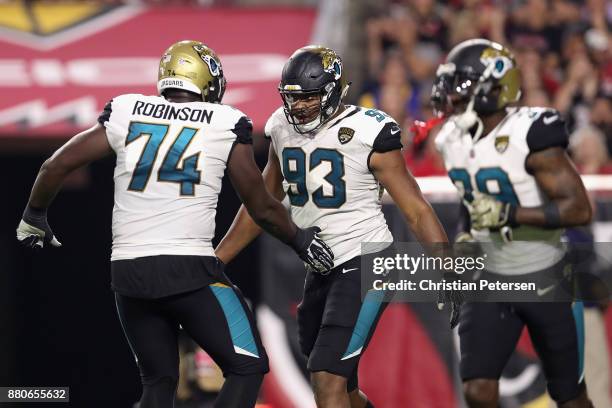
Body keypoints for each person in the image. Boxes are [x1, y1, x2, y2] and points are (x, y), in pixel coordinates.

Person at [15, 40, 333, 408]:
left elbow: (54, 166)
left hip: (128, 273)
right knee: (248, 367)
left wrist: (34, 216)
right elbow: (261, 206)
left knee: (158, 382)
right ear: (204, 80)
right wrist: (300, 240)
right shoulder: (225, 122)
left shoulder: (128, 110)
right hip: (187, 268)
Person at [214, 45, 450, 408]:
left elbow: (416, 209)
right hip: (321, 267)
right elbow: (262, 204)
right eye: (292, 98)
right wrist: (216, 261)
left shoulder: (369, 131)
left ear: (333, 91)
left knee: (328, 382)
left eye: (308, 97)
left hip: (367, 261)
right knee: (341, 388)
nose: (298, 107)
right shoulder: (280, 127)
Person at [432, 38, 593, 408]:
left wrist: (510, 215)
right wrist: (465, 235)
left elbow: (578, 210)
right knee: (477, 390)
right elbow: (471, 203)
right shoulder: (452, 140)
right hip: (490, 278)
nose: (452, 95)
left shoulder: (530, 132)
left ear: (493, 87)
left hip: (546, 276)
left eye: (464, 84)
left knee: (569, 397)